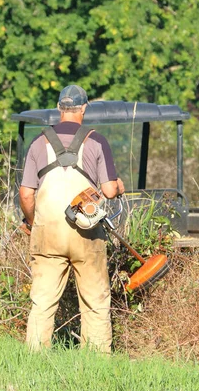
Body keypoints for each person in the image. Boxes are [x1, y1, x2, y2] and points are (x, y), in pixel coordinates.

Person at [19, 85, 125, 353]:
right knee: (95, 301)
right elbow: (110, 191)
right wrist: (119, 186)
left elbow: (26, 193)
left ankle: (34, 358)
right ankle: (97, 362)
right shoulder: (97, 141)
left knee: (42, 301)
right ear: (84, 108)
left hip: (48, 233)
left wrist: (33, 224)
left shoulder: (38, 143)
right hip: (85, 232)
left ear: (58, 108)